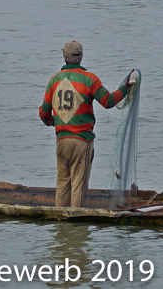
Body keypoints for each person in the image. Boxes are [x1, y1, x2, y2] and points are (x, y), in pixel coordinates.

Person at [39, 40, 137, 208]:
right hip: (82, 141)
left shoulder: (53, 81)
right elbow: (108, 101)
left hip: (62, 141)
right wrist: (126, 87)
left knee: (63, 183)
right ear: (81, 57)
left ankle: (61, 223)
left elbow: (44, 114)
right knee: (78, 184)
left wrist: (56, 122)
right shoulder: (89, 79)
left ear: (64, 56)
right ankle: (76, 226)